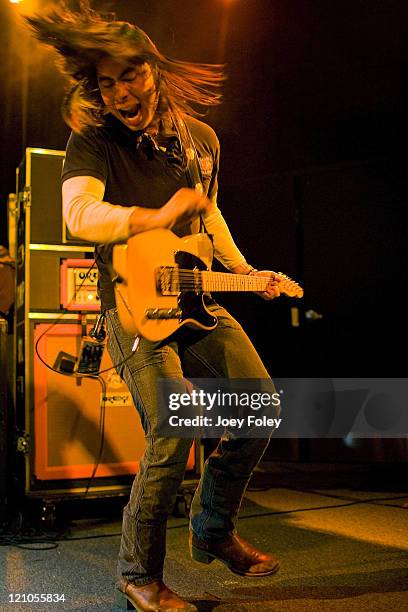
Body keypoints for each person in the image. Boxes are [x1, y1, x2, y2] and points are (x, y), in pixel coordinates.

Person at [27, 4, 283, 611]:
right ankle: (137, 573)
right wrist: (150, 216)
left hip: (195, 298)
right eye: (107, 83)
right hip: (132, 307)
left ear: (155, 72)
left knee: (260, 408)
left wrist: (245, 272)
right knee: (175, 429)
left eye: (130, 76)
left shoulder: (202, 142)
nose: (119, 93)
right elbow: (78, 214)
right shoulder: (93, 139)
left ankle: (212, 529)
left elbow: (208, 215)